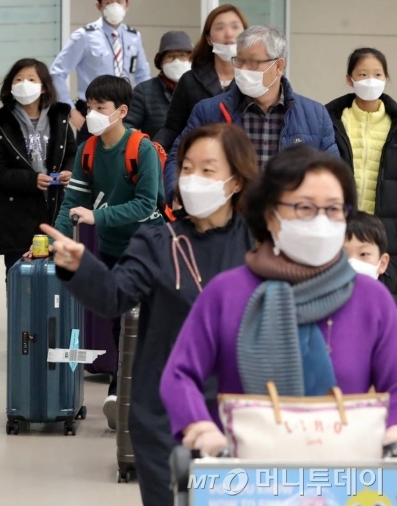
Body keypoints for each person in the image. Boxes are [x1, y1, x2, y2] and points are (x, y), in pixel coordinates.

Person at [40, 123, 258, 506]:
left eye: (208, 170)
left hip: (241, 410)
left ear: (237, 181)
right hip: (163, 412)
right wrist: (80, 267)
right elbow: (114, 297)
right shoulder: (159, 240)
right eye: (187, 168)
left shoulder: (259, 244)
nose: (193, 179)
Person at [160, 145, 397, 459]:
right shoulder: (227, 293)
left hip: (349, 479)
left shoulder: (370, 298)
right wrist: (201, 430)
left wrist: (392, 433)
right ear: (270, 216)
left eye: (334, 209)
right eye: (305, 208)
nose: (321, 221)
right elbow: (180, 375)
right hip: (242, 476)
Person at [49, 74, 165, 429]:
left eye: (101, 107)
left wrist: (97, 216)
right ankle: (121, 390)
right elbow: (73, 201)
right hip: (115, 249)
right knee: (119, 322)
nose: (93, 113)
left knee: (150, 323)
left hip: (149, 248)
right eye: (89, 106)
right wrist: (58, 240)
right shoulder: (88, 150)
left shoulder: (140, 149)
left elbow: (147, 205)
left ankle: (140, 393)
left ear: (122, 111)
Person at [164, 25, 339, 204]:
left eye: (253, 62)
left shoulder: (315, 115)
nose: (243, 69)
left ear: (278, 66)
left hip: (288, 221)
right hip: (226, 219)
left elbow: (332, 174)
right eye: (239, 61)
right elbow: (178, 157)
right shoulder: (209, 111)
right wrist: (177, 194)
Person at [326, 47, 397, 298]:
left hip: (387, 233)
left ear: (386, 79)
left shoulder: (394, 124)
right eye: (363, 73)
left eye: (378, 74)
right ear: (350, 79)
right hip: (339, 229)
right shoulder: (331, 120)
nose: (370, 80)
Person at [0, 58, 76, 276]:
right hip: (17, 217)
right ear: (10, 85)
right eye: (18, 79)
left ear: (43, 87)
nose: (24, 83)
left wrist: (69, 171)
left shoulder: (59, 118)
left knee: (56, 279)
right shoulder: (1, 122)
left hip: (53, 209)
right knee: (19, 276)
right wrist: (31, 180)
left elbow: (71, 153)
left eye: (31, 79)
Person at [50, 0, 150, 144]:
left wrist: (144, 108)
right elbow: (57, 73)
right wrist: (69, 109)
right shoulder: (84, 36)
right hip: (94, 109)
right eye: (109, 2)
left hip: (126, 109)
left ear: (127, 4)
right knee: (90, 159)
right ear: (99, 5)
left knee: (125, 157)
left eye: (119, 1)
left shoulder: (134, 37)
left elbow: (142, 75)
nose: (115, 6)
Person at [154, 4, 248, 152]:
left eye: (235, 27)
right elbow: (173, 128)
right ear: (209, 39)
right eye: (220, 27)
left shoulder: (255, 79)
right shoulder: (190, 80)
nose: (229, 34)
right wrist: (155, 148)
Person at [125, 31, 193, 138]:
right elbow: (126, 127)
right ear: (161, 62)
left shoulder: (200, 88)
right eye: (170, 56)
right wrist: (145, 146)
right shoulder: (144, 91)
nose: (177, 61)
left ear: (192, 59)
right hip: (157, 152)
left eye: (182, 55)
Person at [344, 210, 397, 298]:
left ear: (382, 263)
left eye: (364, 254)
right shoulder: (320, 306)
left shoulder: (386, 307)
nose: (352, 263)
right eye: (343, 255)